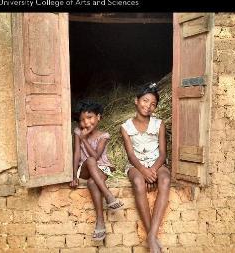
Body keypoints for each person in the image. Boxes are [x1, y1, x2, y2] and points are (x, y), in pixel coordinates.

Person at [121, 83, 171, 253]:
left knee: (165, 179)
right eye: (145, 100)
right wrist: (143, 172)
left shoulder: (159, 124)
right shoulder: (125, 126)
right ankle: (153, 237)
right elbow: (130, 155)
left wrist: (153, 171)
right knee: (137, 181)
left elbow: (163, 153)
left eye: (153, 104)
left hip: (156, 162)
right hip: (136, 165)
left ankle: (151, 236)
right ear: (136, 101)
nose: (148, 106)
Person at [70, 100, 124, 241]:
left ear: (98, 117)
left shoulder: (104, 136)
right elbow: (76, 154)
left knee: (93, 183)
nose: (86, 123)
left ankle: (100, 221)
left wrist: (84, 140)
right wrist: (73, 175)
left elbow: (96, 156)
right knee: (89, 161)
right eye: (82, 120)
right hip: (84, 169)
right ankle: (108, 196)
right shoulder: (77, 132)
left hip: (101, 167)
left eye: (89, 117)